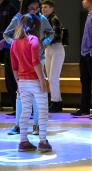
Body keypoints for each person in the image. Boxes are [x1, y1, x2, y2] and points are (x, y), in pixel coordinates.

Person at [4, 0, 54, 135]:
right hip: (23, 63)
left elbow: (51, 33)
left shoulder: (42, 19)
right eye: (32, 8)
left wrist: (43, 43)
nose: (35, 11)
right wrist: (16, 44)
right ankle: (18, 126)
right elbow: (6, 34)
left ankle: (37, 126)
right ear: (25, 7)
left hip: (39, 59)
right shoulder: (18, 18)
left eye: (37, 8)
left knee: (38, 95)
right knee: (21, 95)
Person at [11, 13, 52, 152]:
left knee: (26, 111)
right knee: (42, 110)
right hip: (35, 80)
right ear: (35, 26)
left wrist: (18, 84)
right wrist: (43, 81)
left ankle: (23, 141)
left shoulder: (14, 42)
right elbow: (36, 63)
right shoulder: (33, 40)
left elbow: (14, 67)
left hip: (22, 82)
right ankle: (43, 141)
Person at [41, 0, 65, 113]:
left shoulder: (54, 19)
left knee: (53, 78)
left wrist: (43, 41)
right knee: (50, 78)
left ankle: (55, 103)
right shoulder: (43, 19)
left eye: (46, 7)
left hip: (56, 48)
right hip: (48, 49)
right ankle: (57, 102)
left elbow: (56, 36)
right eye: (42, 7)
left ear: (52, 8)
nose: (43, 9)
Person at [0, 0, 18, 114]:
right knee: (8, 79)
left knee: (12, 78)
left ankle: (18, 107)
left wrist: (5, 40)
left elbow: (14, 29)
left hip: (10, 46)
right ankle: (15, 107)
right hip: (3, 46)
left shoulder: (12, 5)